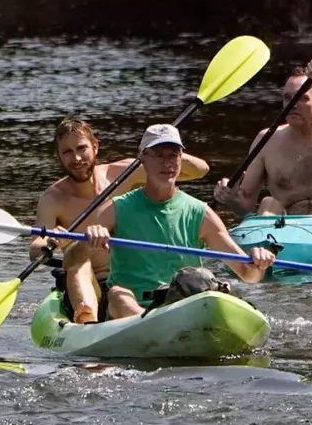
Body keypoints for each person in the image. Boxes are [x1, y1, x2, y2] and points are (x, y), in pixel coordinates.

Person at [81, 123, 277, 319]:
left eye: (173, 155)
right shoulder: (115, 208)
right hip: (132, 310)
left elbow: (247, 274)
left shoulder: (201, 213)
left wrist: (259, 264)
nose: (167, 163)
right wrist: (92, 236)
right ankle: (152, 324)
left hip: (183, 308)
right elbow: (74, 258)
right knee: (117, 294)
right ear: (142, 158)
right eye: (159, 155)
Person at [29, 116, 211, 324]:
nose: (77, 158)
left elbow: (201, 170)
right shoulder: (53, 198)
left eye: (81, 148)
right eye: (67, 152)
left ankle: (148, 320)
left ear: (95, 147)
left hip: (137, 278)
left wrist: (160, 154)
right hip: (94, 283)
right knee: (80, 262)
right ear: (59, 156)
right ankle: (87, 320)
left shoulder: (124, 173)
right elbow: (35, 247)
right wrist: (51, 240)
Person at [212, 56, 312, 219]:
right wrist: (231, 196)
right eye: (288, 98)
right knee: (268, 203)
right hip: (288, 231)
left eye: (302, 98)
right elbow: (244, 207)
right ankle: (269, 243)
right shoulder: (267, 140)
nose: (293, 104)